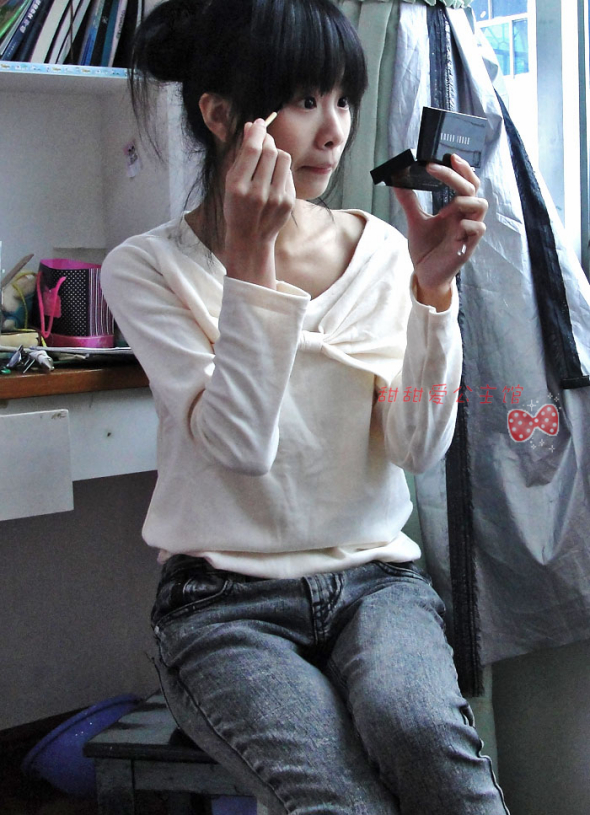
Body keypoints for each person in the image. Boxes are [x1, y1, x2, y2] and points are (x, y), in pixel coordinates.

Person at [101, 0, 507, 812]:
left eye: (344, 100)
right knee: (334, 797)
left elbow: (417, 445)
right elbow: (241, 446)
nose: (334, 131)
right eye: (305, 99)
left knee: (430, 745)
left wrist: (434, 295)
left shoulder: (382, 251)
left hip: (376, 585)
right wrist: (252, 265)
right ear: (221, 115)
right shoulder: (145, 269)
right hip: (224, 604)